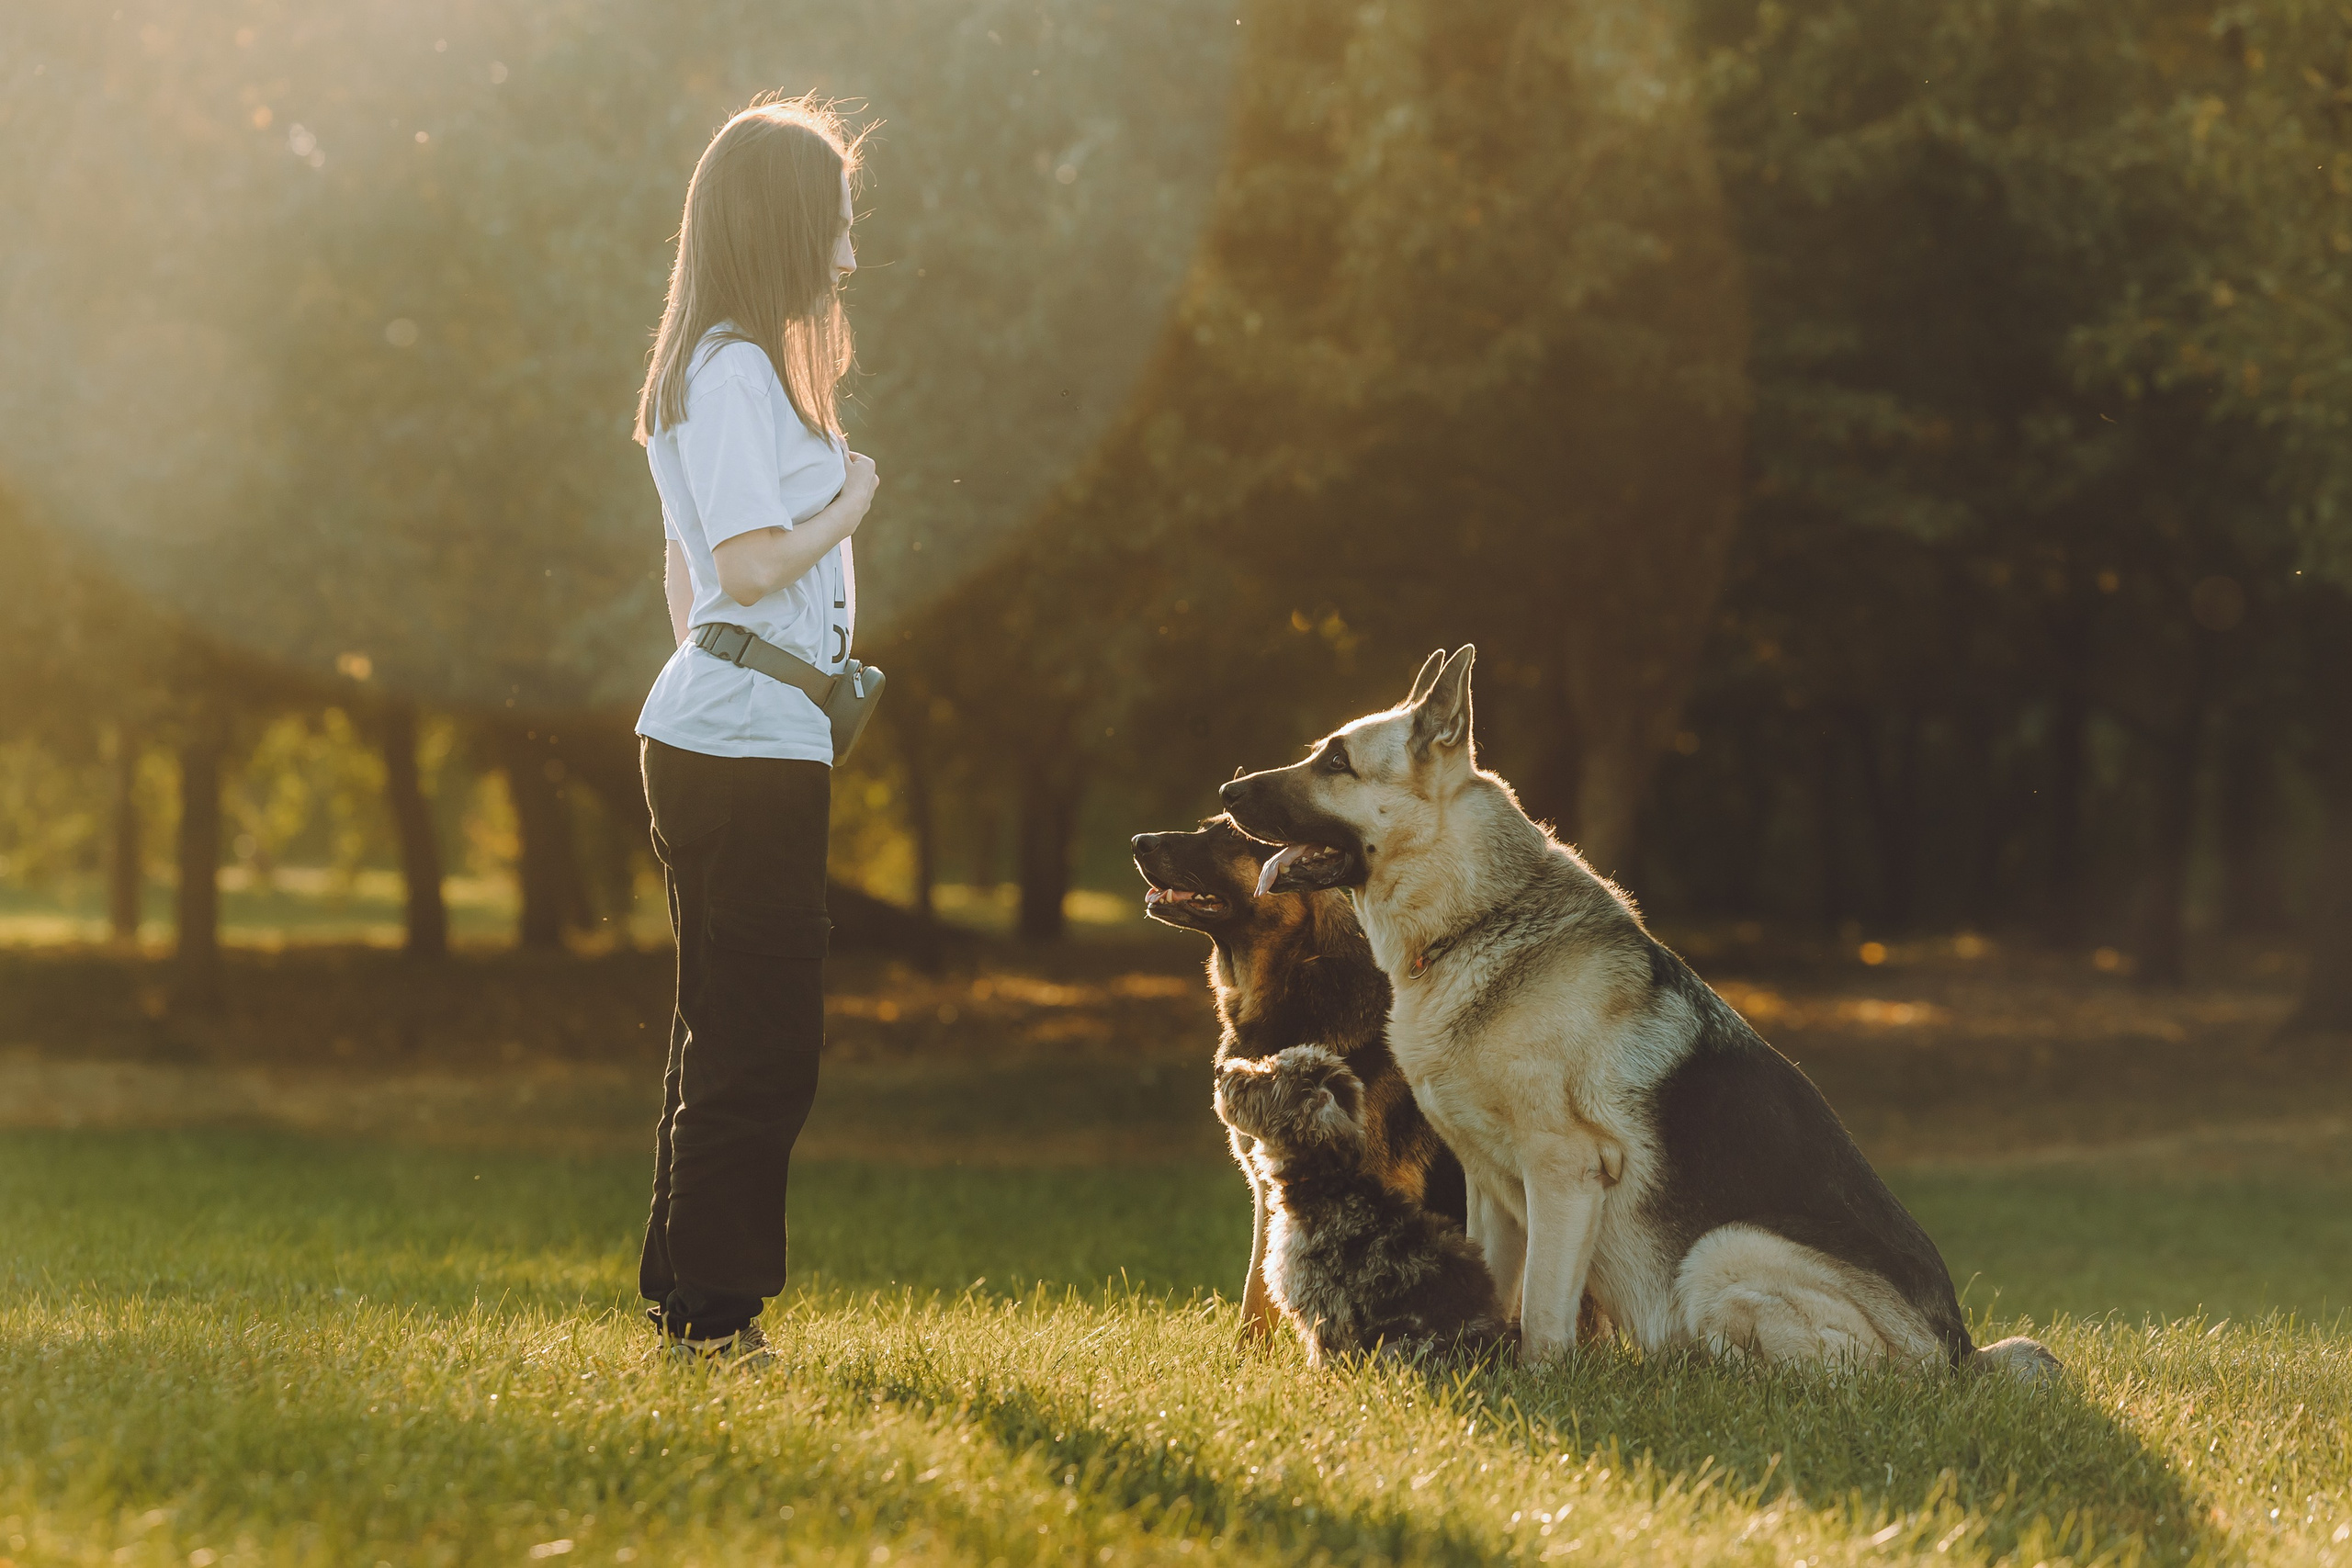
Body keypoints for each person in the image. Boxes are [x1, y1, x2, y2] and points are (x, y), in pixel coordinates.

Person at [629, 95, 878, 1361]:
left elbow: (685, 576)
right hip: (739, 752)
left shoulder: (725, 367)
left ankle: (688, 1298)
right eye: (833, 226)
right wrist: (851, 502)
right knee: (763, 1042)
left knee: (725, 1026)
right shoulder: (730, 370)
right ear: (780, 224)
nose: (847, 253)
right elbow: (731, 567)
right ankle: (717, 1322)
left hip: (737, 739)